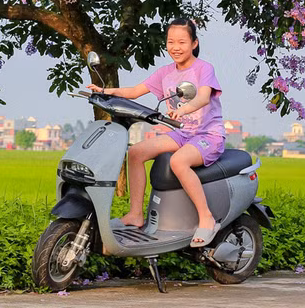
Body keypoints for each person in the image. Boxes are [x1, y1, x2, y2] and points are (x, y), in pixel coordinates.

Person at [86, 17, 225, 246]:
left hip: (207, 135)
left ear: (194, 43)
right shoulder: (165, 73)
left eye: (182, 41)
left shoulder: (203, 69)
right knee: (136, 152)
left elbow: (202, 97)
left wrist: (185, 108)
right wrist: (103, 91)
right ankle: (135, 214)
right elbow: (134, 91)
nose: (176, 47)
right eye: (171, 42)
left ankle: (206, 218)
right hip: (181, 134)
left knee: (178, 162)